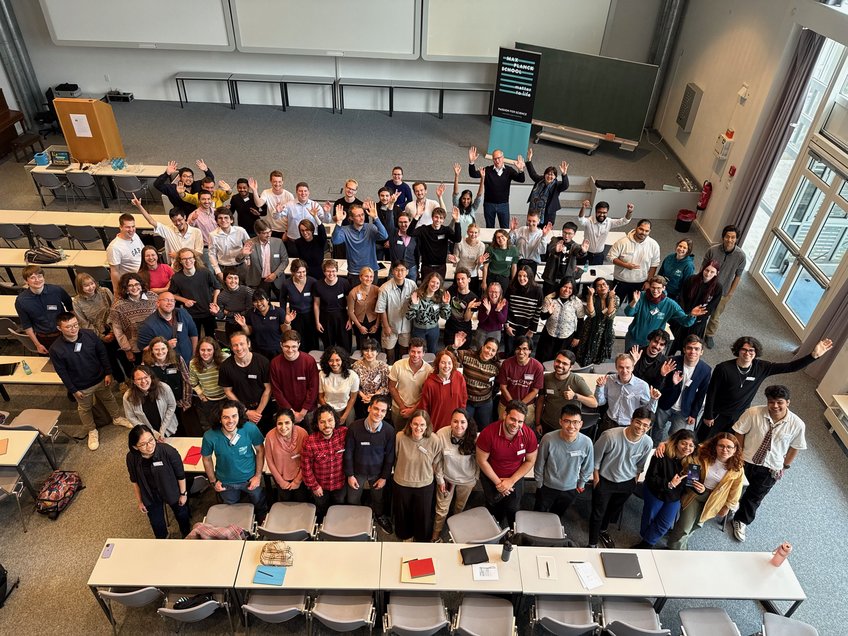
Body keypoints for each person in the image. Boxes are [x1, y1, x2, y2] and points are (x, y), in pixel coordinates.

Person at [700, 336, 832, 441]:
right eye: (744, 350)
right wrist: (708, 415)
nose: (747, 353)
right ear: (737, 351)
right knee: (704, 441)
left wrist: (813, 356)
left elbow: (790, 367)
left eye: (751, 350)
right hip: (717, 414)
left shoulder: (762, 367)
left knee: (728, 444)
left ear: (756, 352)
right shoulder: (723, 368)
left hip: (739, 416)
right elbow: (711, 392)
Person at [731, 385, 806, 543]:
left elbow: (795, 447)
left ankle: (741, 520)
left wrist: (784, 466)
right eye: (771, 402)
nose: (775, 406)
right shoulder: (753, 413)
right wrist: (738, 455)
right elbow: (740, 432)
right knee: (732, 486)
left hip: (771, 466)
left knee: (755, 496)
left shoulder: (797, 424)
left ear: (788, 402)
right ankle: (726, 507)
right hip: (746, 460)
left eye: (780, 402)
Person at [49, 312, 132, 450]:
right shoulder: (56, 349)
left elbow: (102, 353)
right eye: (68, 327)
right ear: (59, 328)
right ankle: (92, 430)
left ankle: (117, 418)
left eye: (75, 324)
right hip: (81, 386)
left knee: (109, 398)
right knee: (85, 409)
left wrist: (108, 373)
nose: (73, 329)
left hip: (100, 378)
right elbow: (62, 372)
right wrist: (73, 389)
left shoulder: (89, 335)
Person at [588, 407, 654, 548]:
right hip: (605, 480)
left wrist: (634, 481)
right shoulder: (610, 436)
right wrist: (596, 480)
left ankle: (603, 530)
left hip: (627, 482)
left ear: (649, 428)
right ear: (631, 420)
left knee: (612, 511)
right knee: (598, 513)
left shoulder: (648, 442)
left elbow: (640, 465)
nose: (640, 427)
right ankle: (592, 544)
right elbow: (595, 459)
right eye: (638, 422)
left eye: (645, 425)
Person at [666, 433, 744, 550]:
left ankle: (680, 544)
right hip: (695, 494)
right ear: (715, 446)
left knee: (697, 525)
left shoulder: (737, 469)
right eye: (721, 446)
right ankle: (674, 549)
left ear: (735, 449)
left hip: (714, 500)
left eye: (729, 447)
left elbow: (735, 491)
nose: (725, 450)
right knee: (684, 527)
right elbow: (690, 471)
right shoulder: (703, 454)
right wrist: (663, 444)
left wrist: (727, 507)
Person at [201, 399, 267, 522]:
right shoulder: (209, 436)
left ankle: (261, 522)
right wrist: (213, 481)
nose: (231, 421)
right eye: (225, 417)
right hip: (226, 482)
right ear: (219, 419)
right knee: (231, 509)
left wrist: (258, 476)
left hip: (250, 478)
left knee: (259, 503)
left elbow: (260, 450)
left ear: (239, 415)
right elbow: (206, 458)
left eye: (234, 416)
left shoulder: (250, 429)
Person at [476, 400, 538, 527]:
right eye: (513, 419)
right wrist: (499, 483)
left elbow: (530, 460)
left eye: (520, 421)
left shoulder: (529, 435)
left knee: (513, 508)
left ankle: (511, 531)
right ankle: (495, 527)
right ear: (505, 415)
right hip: (491, 477)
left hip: (515, 477)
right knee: (493, 507)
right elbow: (481, 460)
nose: (516, 425)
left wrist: (511, 481)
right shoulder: (488, 433)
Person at [634, 429, 697, 548]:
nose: (687, 448)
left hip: (674, 496)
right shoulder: (661, 454)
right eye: (683, 443)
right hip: (655, 491)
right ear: (676, 442)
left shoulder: (693, 463)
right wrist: (669, 484)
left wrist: (699, 489)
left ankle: (647, 543)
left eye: (691, 445)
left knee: (666, 522)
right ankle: (646, 539)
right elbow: (651, 478)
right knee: (650, 518)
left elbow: (690, 485)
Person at [126, 425, 191, 539]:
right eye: (143, 444)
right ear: (135, 447)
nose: (149, 446)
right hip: (150, 494)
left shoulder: (168, 451)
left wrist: (183, 494)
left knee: (182, 515)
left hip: (171, 489)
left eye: (151, 440)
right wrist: (140, 501)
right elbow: (135, 481)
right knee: (156, 523)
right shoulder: (131, 458)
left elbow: (180, 475)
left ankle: (186, 535)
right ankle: (164, 540)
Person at [344, 395, 395, 533]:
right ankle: (356, 519)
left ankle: (379, 516)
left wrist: (384, 477)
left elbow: (390, 457)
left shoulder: (389, 431)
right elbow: (348, 453)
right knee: (352, 499)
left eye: (383, 411)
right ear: (369, 408)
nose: (379, 413)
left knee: (378, 499)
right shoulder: (354, 427)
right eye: (376, 409)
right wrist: (350, 475)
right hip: (357, 472)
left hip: (377, 474)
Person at [534, 403, 594, 517]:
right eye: (567, 421)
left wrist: (581, 484)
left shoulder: (587, 443)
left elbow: (588, 467)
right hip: (547, 487)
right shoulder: (548, 439)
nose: (571, 426)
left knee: (556, 516)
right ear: (560, 422)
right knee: (538, 515)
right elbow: (540, 463)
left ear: (581, 424)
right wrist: (539, 484)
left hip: (570, 488)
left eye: (575, 422)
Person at [393, 410, 443, 542]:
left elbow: (437, 462)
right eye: (415, 424)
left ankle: (421, 539)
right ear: (410, 424)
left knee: (423, 515)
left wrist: (440, 481)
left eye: (422, 425)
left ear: (427, 426)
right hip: (402, 482)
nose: (418, 428)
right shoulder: (400, 437)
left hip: (424, 484)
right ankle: (405, 536)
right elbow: (396, 456)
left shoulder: (434, 440)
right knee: (403, 514)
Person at [623, 275, 705, 351]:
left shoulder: (670, 304)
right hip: (634, 338)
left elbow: (685, 322)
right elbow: (628, 313)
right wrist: (634, 302)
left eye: (658, 288)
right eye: (653, 287)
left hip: (654, 342)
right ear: (649, 287)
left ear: (663, 288)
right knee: (629, 361)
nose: (655, 291)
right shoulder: (641, 296)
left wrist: (692, 315)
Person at [654, 335, 711, 444]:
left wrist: (694, 414)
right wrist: (668, 380)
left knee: (676, 436)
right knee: (657, 428)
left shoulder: (705, 370)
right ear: (684, 349)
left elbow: (701, 394)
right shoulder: (672, 361)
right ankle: (654, 447)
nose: (693, 352)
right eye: (689, 348)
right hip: (665, 403)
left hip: (684, 409)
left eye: (696, 349)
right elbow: (660, 385)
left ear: (701, 352)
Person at [433, 409, 479, 541]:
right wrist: (440, 479)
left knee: (459, 507)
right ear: (450, 422)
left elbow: (479, 460)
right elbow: (437, 460)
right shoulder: (441, 434)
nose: (459, 426)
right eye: (455, 421)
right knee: (441, 509)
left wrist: (475, 478)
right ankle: (435, 536)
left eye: (463, 422)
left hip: (467, 480)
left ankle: (455, 534)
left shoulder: (474, 437)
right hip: (447, 479)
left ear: (468, 423)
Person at [72, 272, 124, 383]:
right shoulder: (77, 302)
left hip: (114, 327)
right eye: (86, 285)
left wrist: (113, 331)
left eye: (92, 283)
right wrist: (101, 336)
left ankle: (132, 378)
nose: (91, 287)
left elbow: (115, 310)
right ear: (80, 287)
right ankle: (121, 381)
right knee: (109, 359)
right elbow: (84, 323)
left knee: (123, 354)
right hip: (96, 333)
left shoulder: (105, 292)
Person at [701, 224, 746, 349]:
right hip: (707, 287)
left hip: (724, 291)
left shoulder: (741, 256)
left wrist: (730, 293)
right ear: (723, 237)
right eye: (727, 236)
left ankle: (709, 334)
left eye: (733, 237)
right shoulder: (712, 250)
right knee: (702, 309)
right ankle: (697, 330)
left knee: (715, 315)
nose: (729, 240)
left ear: (736, 239)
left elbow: (738, 275)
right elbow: (703, 268)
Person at [218, 332, 273, 434]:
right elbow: (228, 391)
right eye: (235, 345)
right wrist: (246, 411)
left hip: (263, 409)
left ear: (248, 344)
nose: (239, 348)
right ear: (231, 347)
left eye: (241, 344)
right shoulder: (225, 367)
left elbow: (268, 389)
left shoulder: (263, 362)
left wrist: (257, 413)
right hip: (240, 411)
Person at [301, 404, 348, 517]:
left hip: (340, 483)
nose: (327, 425)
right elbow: (306, 468)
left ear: (335, 420)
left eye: (330, 420)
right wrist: (314, 486)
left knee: (339, 506)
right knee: (321, 507)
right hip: (320, 485)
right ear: (317, 424)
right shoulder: (309, 441)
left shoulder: (344, 433)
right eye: (322, 422)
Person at [535, 350, 597, 436]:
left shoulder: (577, 381)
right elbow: (540, 401)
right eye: (558, 361)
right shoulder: (546, 378)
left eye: (565, 363)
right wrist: (537, 423)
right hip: (548, 424)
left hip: (568, 428)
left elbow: (594, 403)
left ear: (571, 367)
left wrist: (575, 396)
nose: (560, 365)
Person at [595, 353, 660, 434]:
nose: (624, 371)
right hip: (609, 421)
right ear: (616, 367)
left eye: (628, 367)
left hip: (629, 425)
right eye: (621, 367)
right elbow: (600, 402)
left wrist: (653, 400)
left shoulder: (642, 386)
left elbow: (649, 412)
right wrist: (599, 387)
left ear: (633, 367)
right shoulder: (609, 380)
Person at [109, 273, 158, 377]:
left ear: (141, 285)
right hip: (135, 348)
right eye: (130, 285)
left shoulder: (153, 298)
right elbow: (118, 331)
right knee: (143, 374)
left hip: (156, 344)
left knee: (157, 372)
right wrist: (127, 350)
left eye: (137, 284)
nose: (134, 288)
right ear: (125, 288)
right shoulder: (118, 306)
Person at [15, 265, 72, 354]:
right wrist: (37, 344)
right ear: (26, 281)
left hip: (65, 334)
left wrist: (74, 329)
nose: (37, 280)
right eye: (32, 278)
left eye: (39, 276)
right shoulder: (21, 301)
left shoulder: (56, 291)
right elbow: (27, 325)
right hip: (43, 339)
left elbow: (71, 309)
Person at [449, 332, 501, 429]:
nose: (489, 352)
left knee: (484, 428)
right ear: (482, 346)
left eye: (493, 350)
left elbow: (497, 385)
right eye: (488, 348)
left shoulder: (496, 366)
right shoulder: (469, 355)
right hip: (467, 401)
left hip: (485, 402)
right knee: (465, 427)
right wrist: (454, 347)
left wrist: (490, 395)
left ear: (496, 353)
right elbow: (449, 356)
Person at [669, 261, 723, 355]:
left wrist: (695, 317)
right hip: (683, 318)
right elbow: (682, 298)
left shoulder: (718, 288)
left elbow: (711, 307)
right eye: (706, 270)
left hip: (697, 323)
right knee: (672, 347)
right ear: (703, 269)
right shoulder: (691, 280)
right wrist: (686, 315)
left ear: (716, 273)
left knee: (689, 349)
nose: (708, 274)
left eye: (712, 272)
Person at [132, 196, 203, 266]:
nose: (178, 223)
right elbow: (151, 221)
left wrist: (179, 255)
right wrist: (139, 206)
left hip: (193, 266)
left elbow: (199, 252)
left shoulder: (196, 232)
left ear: (184, 217)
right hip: (176, 267)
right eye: (174, 221)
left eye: (180, 220)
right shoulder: (169, 230)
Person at [141, 336, 193, 432]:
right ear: (151, 351)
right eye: (156, 349)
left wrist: (187, 401)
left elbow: (187, 380)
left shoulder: (177, 359)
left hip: (179, 402)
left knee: (183, 428)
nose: (160, 352)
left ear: (168, 349)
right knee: (166, 430)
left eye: (163, 348)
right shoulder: (146, 364)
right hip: (161, 404)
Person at [269, 330, 319, 428]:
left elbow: (313, 388)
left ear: (299, 345)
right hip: (285, 410)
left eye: (294, 346)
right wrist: (290, 411)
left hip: (308, 410)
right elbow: (276, 390)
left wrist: (303, 412)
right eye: (286, 346)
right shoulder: (275, 363)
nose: (290, 350)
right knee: (287, 436)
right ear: (281, 345)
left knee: (311, 434)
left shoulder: (309, 361)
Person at [468, 146, 525, 228]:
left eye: (499, 158)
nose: (497, 161)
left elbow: (521, 179)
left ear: (503, 157)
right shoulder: (487, 170)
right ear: (492, 160)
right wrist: (471, 162)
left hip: (504, 204)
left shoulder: (509, 170)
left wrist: (521, 170)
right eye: (495, 159)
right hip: (489, 204)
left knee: (505, 228)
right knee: (489, 227)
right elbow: (473, 174)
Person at [167, 248, 219, 339]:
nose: (188, 261)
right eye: (184, 259)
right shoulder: (176, 278)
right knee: (194, 339)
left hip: (208, 312)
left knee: (211, 339)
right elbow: (171, 294)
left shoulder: (205, 272)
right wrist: (184, 300)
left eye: (190, 258)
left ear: (194, 259)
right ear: (180, 261)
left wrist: (214, 302)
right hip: (191, 315)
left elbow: (217, 288)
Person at [136, 292, 198, 365]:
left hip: (188, 361)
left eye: (172, 300)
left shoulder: (183, 313)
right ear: (158, 303)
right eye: (166, 300)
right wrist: (165, 345)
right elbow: (144, 348)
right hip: (167, 365)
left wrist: (194, 354)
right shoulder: (148, 325)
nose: (169, 303)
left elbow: (193, 334)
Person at [608, 219, 661, 305]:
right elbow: (610, 257)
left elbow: (654, 265)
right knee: (613, 305)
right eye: (641, 229)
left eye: (646, 231)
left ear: (649, 231)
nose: (643, 232)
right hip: (621, 280)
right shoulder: (622, 242)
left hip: (640, 282)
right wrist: (625, 265)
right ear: (636, 228)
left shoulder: (654, 245)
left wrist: (648, 281)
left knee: (635, 306)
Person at [331, 201, 387, 279]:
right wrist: (339, 222)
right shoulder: (345, 230)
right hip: (354, 272)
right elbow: (335, 241)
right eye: (358, 215)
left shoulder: (370, 227)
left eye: (362, 214)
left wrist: (376, 218)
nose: (361, 218)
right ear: (351, 218)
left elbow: (384, 236)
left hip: (371, 271)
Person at [234, 288, 291, 361]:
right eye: (255, 301)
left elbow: (286, 331)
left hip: (276, 350)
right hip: (257, 350)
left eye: (261, 300)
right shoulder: (250, 313)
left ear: (267, 300)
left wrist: (287, 322)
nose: (259, 304)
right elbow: (248, 332)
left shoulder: (279, 311)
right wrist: (244, 325)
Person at [265, 409, 309, 502]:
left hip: (300, 476)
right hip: (281, 478)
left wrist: (297, 481)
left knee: (301, 500)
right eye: (280, 423)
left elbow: (307, 460)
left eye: (287, 423)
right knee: (285, 500)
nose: (283, 427)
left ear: (293, 423)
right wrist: (281, 481)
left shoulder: (303, 433)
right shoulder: (270, 436)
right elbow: (269, 461)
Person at [417, 349, 467, 432]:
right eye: (443, 362)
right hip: (436, 427)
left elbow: (464, 398)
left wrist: (460, 419)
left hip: (456, 427)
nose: (446, 366)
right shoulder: (429, 384)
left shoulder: (459, 377)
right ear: (438, 364)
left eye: (449, 363)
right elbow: (424, 408)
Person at [376, 261, 416, 365]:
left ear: (407, 272)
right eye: (397, 270)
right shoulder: (384, 288)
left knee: (404, 352)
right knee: (389, 352)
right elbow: (381, 309)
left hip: (406, 325)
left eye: (402, 270)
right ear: (392, 271)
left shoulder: (412, 285)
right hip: (390, 325)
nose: (400, 273)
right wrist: (386, 326)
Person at [122, 365, 178, 439]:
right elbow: (131, 417)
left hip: (169, 428)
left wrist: (163, 429)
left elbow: (172, 405)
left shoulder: (164, 388)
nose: (143, 381)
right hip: (147, 434)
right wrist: (151, 432)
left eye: (146, 377)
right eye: (139, 379)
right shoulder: (128, 397)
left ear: (150, 377)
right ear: (134, 381)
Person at [497, 336, 544, 422]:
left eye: (525, 349)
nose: (521, 352)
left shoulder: (538, 367)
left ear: (530, 351)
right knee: (503, 425)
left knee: (525, 428)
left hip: (527, 405)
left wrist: (520, 405)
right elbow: (503, 387)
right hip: (506, 403)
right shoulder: (506, 364)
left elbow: (535, 391)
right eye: (518, 348)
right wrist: (512, 404)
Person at [536, 278, 584, 363]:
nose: (567, 290)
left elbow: (580, 321)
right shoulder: (549, 298)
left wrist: (577, 337)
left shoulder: (577, 302)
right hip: (549, 334)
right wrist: (549, 313)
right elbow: (542, 317)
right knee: (544, 359)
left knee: (562, 360)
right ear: (560, 286)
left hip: (566, 336)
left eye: (570, 288)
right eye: (564, 287)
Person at [409, 206, 462, 280]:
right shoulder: (424, 229)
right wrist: (417, 215)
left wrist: (457, 221)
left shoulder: (446, 230)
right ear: (432, 217)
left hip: (441, 267)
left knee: (439, 286)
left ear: (443, 220)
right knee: (425, 286)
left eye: (441, 218)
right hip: (427, 267)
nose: (438, 220)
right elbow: (410, 233)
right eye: (436, 217)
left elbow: (457, 239)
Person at [388, 337, 432, 426]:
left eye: (419, 352)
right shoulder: (398, 365)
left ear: (424, 353)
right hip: (398, 408)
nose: (415, 355)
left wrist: (412, 410)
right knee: (398, 432)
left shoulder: (429, 370)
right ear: (408, 351)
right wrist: (402, 407)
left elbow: (426, 394)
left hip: (418, 409)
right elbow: (391, 387)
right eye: (413, 351)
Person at [189, 336, 229, 432]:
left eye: (209, 350)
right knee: (213, 426)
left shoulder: (225, 358)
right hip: (209, 400)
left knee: (228, 424)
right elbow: (193, 382)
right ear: (198, 350)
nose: (205, 353)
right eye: (202, 350)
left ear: (214, 350)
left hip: (226, 398)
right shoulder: (193, 363)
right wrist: (201, 395)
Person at [278, 258, 318, 353]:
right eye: (298, 272)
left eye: (304, 272)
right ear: (293, 272)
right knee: (298, 340)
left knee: (312, 340)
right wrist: (284, 315)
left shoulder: (313, 282)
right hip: (295, 316)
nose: (302, 275)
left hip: (310, 316)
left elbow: (317, 300)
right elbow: (282, 299)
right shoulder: (286, 284)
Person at [576, 277, 618, 366]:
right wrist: (590, 296)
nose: (602, 287)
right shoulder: (593, 298)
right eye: (599, 286)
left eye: (604, 284)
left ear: (608, 286)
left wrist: (611, 298)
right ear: (595, 289)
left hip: (605, 329)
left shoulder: (615, 298)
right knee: (584, 352)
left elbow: (610, 315)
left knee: (600, 355)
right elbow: (591, 313)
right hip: (590, 328)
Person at [405, 271, 450, 355]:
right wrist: (414, 305)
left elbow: (445, 317)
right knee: (417, 352)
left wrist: (446, 304)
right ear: (427, 282)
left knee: (432, 352)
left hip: (433, 329)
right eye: (433, 282)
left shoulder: (440, 296)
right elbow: (409, 317)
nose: (435, 285)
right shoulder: (417, 295)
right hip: (418, 329)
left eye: (437, 283)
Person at [576, 199, 633, 265]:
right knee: (581, 269)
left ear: (607, 212)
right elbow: (581, 219)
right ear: (596, 212)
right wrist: (583, 207)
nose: (602, 215)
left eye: (604, 213)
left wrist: (629, 212)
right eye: (599, 212)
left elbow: (624, 221)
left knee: (597, 270)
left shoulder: (609, 222)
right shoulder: (589, 221)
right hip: (585, 253)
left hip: (599, 255)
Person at [243, 219, 289, 299]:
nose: (268, 235)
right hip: (258, 281)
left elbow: (285, 261)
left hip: (277, 279)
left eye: (270, 232)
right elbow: (238, 260)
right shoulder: (250, 243)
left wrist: (275, 274)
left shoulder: (278, 242)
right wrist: (242, 254)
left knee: (283, 301)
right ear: (258, 233)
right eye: (265, 233)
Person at [503, 265, 544, 355]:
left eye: (525, 276)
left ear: (530, 276)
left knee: (522, 354)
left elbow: (537, 312)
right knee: (509, 352)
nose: (521, 278)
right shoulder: (511, 287)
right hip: (511, 326)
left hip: (526, 328)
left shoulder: (537, 290)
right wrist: (507, 325)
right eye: (519, 276)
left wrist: (532, 330)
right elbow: (505, 308)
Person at [314, 259, 352, 352]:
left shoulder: (344, 283)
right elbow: (316, 304)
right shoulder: (318, 285)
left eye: (333, 271)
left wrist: (350, 320)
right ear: (324, 272)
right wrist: (317, 322)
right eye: (328, 271)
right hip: (326, 318)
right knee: (328, 346)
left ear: (337, 271)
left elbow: (350, 303)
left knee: (345, 345)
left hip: (342, 317)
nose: (331, 274)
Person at [540, 222, 588, 296]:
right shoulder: (555, 240)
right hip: (551, 277)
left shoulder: (574, 245)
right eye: (564, 232)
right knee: (547, 297)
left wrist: (583, 251)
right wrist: (556, 250)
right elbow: (551, 248)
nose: (566, 236)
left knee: (563, 297)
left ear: (574, 234)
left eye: (570, 233)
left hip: (565, 279)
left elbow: (578, 252)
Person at [525, 149, 570, 227]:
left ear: (555, 177)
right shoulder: (540, 180)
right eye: (548, 174)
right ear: (544, 174)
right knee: (531, 230)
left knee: (544, 232)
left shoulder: (557, 185)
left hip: (547, 215)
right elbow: (532, 174)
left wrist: (564, 174)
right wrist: (529, 160)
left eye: (552, 175)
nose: (549, 176)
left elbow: (565, 185)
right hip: (534, 212)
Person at [281, 182, 332, 249]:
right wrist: (277, 212)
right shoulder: (289, 205)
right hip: (294, 241)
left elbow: (327, 221)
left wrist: (327, 213)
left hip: (311, 241)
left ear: (308, 192)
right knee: (293, 256)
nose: (303, 193)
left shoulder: (314, 205)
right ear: (296, 192)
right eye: (300, 191)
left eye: (305, 191)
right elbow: (277, 217)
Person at [319, 346, 360, 426]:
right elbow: (320, 397)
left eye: (337, 360)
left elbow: (353, 398)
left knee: (349, 428)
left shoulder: (353, 376)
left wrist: (344, 416)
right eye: (331, 360)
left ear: (343, 360)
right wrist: (330, 413)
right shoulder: (322, 374)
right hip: (327, 408)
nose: (334, 364)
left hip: (346, 408)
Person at [248, 171, 295, 238]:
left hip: (284, 230)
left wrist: (287, 231)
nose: (277, 184)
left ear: (282, 182)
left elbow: (292, 215)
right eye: (275, 181)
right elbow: (259, 204)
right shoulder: (266, 192)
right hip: (271, 229)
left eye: (279, 182)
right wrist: (254, 190)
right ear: (271, 181)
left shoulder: (289, 195)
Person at [207, 208, 250, 282]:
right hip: (224, 268)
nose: (223, 220)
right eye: (220, 218)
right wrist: (218, 272)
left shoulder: (241, 231)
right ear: (216, 221)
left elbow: (249, 246)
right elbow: (212, 254)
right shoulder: (212, 235)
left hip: (241, 266)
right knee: (224, 289)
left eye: (226, 217)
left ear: (231, 220)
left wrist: (248, 260)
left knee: (244, 288)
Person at [352, 338, 390, 419]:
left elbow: (385, 387)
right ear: (362, 352)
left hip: (378, 401)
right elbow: (354, 385)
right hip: (361, 400)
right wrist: (363, 396)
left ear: (377, 352)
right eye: (366, 350)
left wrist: (374, 396)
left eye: (372, 350)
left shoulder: (383, 367)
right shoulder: (356, 366)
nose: (369, 354)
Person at [443, 268, 479, 350]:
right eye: (458, 279)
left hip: (464, 330)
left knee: (462, 354)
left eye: (463, 279)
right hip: (450, 329)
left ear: (469, 279)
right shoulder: (451, 290)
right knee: (449, 352)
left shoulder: (473, 298)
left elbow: (467, 319)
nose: (460, 281)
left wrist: (468, 308)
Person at [107, 213, 145, 291]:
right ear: (120, 227)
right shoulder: (114, 247)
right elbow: (114, 272)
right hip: (133, 282)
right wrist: (117, 291)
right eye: (127, 227)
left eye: (133, 226)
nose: (131, 230)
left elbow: (144, 251)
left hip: (145, 273)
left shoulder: (135, 236)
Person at [347, 266, 380, 351]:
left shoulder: (377, 290)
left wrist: (376, 325)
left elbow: (381, 309)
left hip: (374, 321)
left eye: (371, 276)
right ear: (360, 277)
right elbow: (350, 312)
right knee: (361, 347)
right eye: (366, 276)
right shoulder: (353, 292)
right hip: (359, 322)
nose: (369, 279)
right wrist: (359, 327)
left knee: (376, 346)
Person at [215, 269, 254, 337]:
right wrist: (217, 312)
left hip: (246, 324)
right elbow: (221, 316)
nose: (233, 281)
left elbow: (249, 312)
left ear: (239, 280)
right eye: (230, 278)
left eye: (236, 278)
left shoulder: (247, 291)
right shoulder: (221, 296)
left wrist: (229, 313)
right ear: (225, 280)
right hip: (230, 325)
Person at [451, 223, 486, 295]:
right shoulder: (460, 243)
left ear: (478, 234)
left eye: (475, 232)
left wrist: (480, 262)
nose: (473, 234)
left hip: (472, 274)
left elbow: (478, 263)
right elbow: (456, 257)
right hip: (460, 273)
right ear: (467, 232)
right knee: (456, 294)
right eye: (471, 232)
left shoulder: (481, 246)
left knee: (472, 295)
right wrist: (455, 260)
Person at [451, 161, 484, 236]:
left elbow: (479, 195)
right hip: (456, 238)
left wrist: (482, 178)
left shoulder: (473, 208)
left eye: (468, 199)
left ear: (471, 200)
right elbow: (455, 193)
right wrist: (456, 176)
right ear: (461, 198)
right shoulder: (457, 207)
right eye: (464, 198)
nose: (466, 201)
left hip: (469, 238)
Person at [385, 211, 419, 281]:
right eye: (400, 222)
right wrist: (390, 208)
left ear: (410, 222)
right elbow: (389, 221)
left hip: (411, 269)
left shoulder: (416, 235)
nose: (403, 224)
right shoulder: (393, 233)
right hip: (395, 269)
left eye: (405, 222)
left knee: (411, 288)